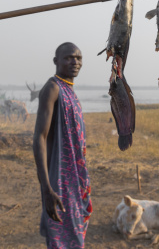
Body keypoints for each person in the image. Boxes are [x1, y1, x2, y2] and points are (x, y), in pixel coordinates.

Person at [32, 42, 92, 249]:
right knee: (61, 241)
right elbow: (39, 137)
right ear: (56, 61)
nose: (75, 62)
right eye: (68, 57)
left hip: (76, 181)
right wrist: (46, 188)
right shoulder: (53, 89)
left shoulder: (70, 92)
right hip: (59, 182)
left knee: (73, 240)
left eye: (79, 58)